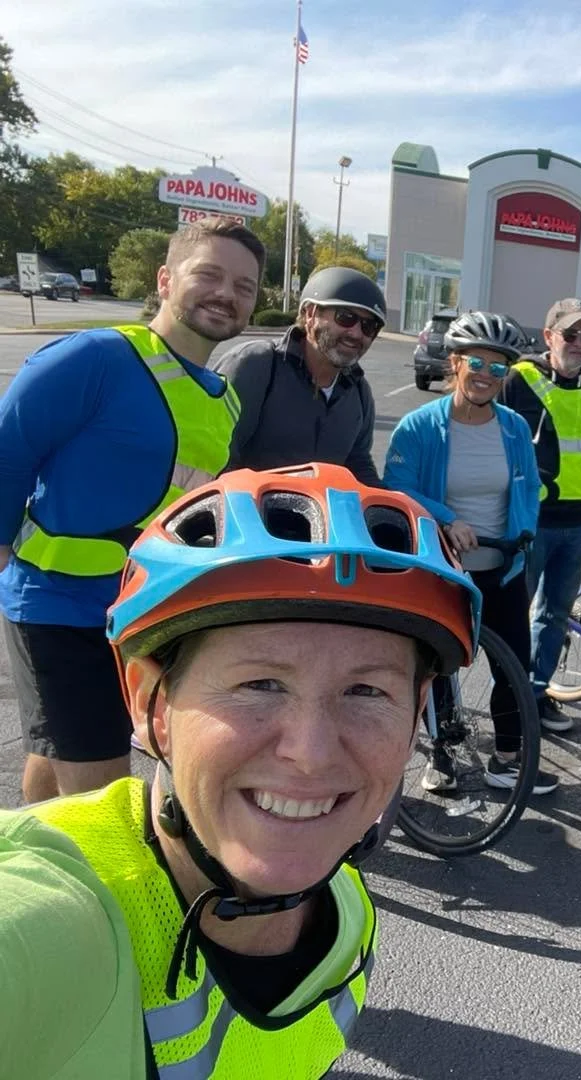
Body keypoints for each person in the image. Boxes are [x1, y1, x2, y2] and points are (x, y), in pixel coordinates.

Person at [0, 464, 482, 1078]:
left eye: (365, 692)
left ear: (416, 714)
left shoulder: (346, 914)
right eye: (260, 683)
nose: (310, 754)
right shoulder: (48, 924)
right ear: (152, 703)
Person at [0, 219, 261, 805]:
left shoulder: (226, 400)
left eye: (244, 286)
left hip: (137, 610)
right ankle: (86, 888)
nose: (227, 293)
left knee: (60, 748)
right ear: (166, 279)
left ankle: (27, 857)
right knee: (108, 793)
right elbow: (8, 447)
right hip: (55, 605)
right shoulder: (95, 357)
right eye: (209, 274)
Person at [383, 310, 553, 795]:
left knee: (512, 669)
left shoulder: (515, 427)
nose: (486, 375)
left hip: (502, 567)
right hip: (444, 570)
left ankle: (505, 758)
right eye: (476, 362)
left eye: (498, 368)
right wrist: (446, 519)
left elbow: (529, 486)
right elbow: (397, 489)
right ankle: (442, 754)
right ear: (454, 362)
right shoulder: (419, 427)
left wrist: (523, 533)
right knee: (439, 666)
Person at [499, 298, 581, 732]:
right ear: (548, 337)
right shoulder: (517, 380)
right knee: (512, 613)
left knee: (555, 615)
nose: (580, 343)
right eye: (570, 334)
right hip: (531, 522)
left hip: (579, 521)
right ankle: (506, 700)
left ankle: (536, 694)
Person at [211, 266, 387, 485]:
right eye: (345, 318)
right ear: (310, 313)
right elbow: (216, 456)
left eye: (369, 326)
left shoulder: (358, 392)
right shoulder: (256, 366)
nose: (356, 333)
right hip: (246, 513)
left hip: (318, 517)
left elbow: (358, 465)